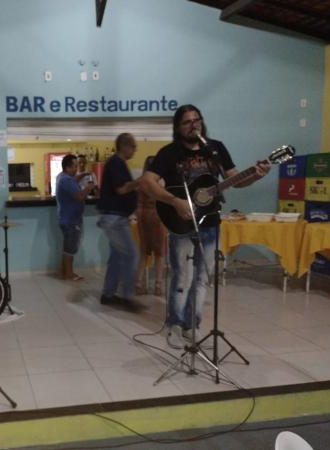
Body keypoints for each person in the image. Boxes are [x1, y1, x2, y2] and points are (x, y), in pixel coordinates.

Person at [140, 104, 270, 349]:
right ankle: (174, 326)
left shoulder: (216, 149)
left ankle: (193, 325)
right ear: (178, 128)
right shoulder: (169, 152)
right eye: (187, 122)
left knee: (202, 279)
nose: (194, 125)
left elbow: (236, 178)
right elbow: (147, 182)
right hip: (181, 222)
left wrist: (256, 174)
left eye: (197, 120)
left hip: (210, 222)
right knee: (182, 277)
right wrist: (174, 201)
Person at [97, 133, 141, 305]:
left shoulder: (118, 163)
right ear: (125, 146)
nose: (135, 150)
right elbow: (121, 190)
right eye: (134, 147)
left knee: (116, 256)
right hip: (115, 218)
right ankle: (127, 297)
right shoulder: (116, 163)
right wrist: (139, 182)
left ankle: (108, 294)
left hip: (116, 217)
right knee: (131, 255)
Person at [56, 154, 95, 280]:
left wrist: (82, 175)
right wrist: (88, 188)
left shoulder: (64, 177)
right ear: (67, 168)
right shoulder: (66, 180)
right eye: (74, 167)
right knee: (70, 248)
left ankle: (64, 272)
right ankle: (69, 273)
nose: (77, 169)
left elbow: (74, 181)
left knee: (68, 246)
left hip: (67, 218)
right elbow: (79, 196)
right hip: (70, 220)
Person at [135, 155, 168, 296]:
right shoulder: (158, 182)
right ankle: (158, 285)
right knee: (159, 253)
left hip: (141, 216)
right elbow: (164, 199)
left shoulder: (140, 181)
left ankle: (138, 282)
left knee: (144, 251)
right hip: (156, 215)